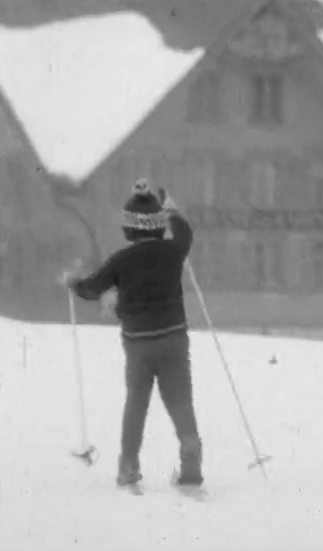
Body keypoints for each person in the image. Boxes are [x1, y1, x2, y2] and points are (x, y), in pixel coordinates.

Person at [63, 178, 203, 489]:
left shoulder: (121, 261)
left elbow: (91, 289)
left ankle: (128, 467)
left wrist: (74, 282)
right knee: (180, 400)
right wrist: (173, 211)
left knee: (136, 403)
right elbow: (186, 233)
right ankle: (191, 459)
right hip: (174, 337)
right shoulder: (173, 250)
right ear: (157, 224)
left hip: (138, 343)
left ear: (129, 228)